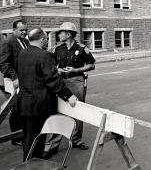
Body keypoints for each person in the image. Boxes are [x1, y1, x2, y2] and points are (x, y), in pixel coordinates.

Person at [17, 28, 77, 160]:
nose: (47, 42)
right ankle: (32, 165)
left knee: (28, 138)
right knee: (37, 140)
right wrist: (69, 95)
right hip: (38, 106)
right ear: (42, 39)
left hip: (23, 104)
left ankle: (27, 163)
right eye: (46, 39)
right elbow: (52, 80)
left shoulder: (22, 53)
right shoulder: (44, 55)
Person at [44, 22, 95, 157]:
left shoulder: (82, 48)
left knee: (78, 111)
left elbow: (91, 65)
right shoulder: (56, 49)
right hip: (60, 82)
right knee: (58, 111)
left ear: (68, 34)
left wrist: (76, 69)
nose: (59, 35)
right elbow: (50, 65)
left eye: (61, 33)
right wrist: (57, 69)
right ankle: (52, 146)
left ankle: (76, 140)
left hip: (76, 80)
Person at [0, 20, 29, 146]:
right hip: (13, 80)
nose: (24, 32)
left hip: (24, 79)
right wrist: (14, 77)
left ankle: (22, 134)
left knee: (23, 107)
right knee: (16, 108)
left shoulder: (25, 41)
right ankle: (16, 138)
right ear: (14, 30)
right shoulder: (8, 42)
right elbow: (4, 64)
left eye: (25, 30)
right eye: (21, 30)